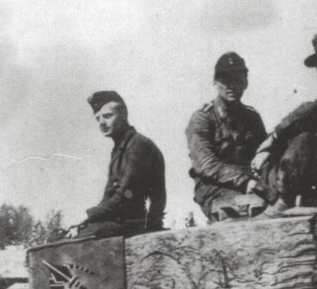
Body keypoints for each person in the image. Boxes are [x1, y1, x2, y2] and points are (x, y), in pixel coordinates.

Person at [252, 32, 317, 215]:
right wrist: (270, 149)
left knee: (305, 140)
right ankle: (278, 199)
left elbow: (313, 109)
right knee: (303, 136)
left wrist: (274, 138)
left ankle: (283, 201)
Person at [186, 52, 267, 221]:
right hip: (214, 187)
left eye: (237, 79)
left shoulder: (252, 118)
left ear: (245, 83)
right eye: (225, 79)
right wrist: (245, 181)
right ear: (215, 82)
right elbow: (206, 165)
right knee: (242, 211)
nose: (231, 85)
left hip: (250, 184)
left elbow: (265, 156)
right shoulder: (203, 118)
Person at [77, 91, 166, 239]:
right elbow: (108, 196)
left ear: (123, 115)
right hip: (123, 222)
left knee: (80, 242)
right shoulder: (120, 148)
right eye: (98, 118)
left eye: (107, 116)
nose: (101, 123)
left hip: (138, 224)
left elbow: (124, 196)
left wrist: (89, 215)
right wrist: (89, 219)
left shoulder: (138, 145)